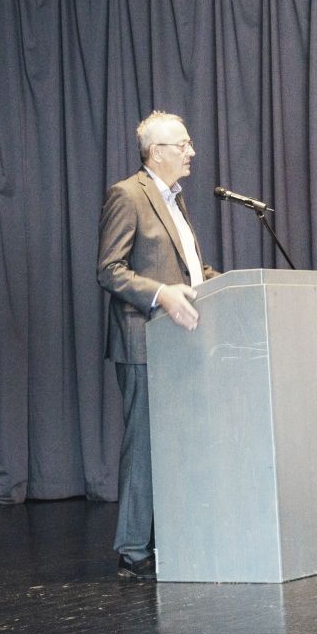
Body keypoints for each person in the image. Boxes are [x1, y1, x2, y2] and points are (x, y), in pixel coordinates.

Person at [97, 111, 219, 580]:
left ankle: (174, 535)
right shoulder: (128, 195)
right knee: (145, 445)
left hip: (180, 340)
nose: (191, 152)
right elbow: (110, 270)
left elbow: (186, 269)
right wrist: (162, 294)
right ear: (156, 152)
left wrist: (222, 281)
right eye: (183, 145)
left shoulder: (175, 199)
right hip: (144, 340)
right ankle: (132, 550)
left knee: (180, 443)